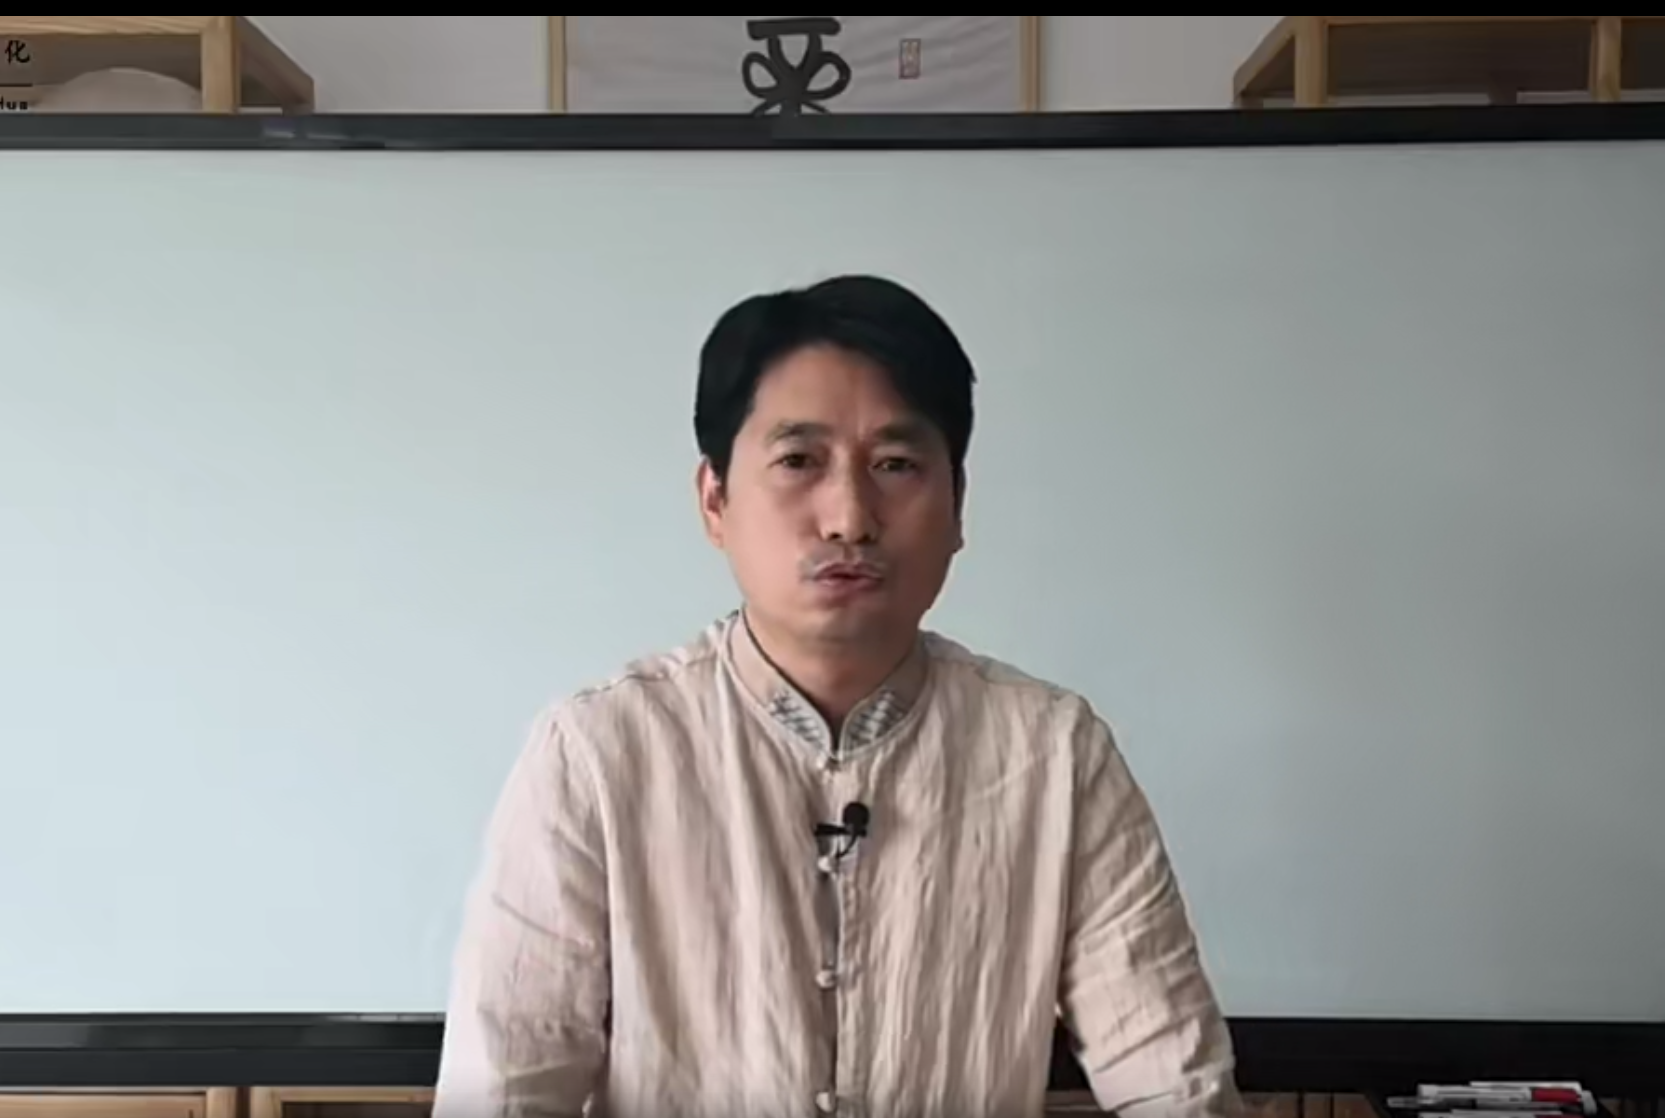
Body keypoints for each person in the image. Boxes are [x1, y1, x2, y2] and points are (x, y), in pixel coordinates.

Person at [434, 274, 1244, 1118]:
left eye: (896, 465)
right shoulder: (598, 753)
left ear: (957, 507)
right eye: (798, 461)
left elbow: (1175, 1088)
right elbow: (503, 1095)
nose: (850, 517)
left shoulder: (1055, 754)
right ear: (715, 500)